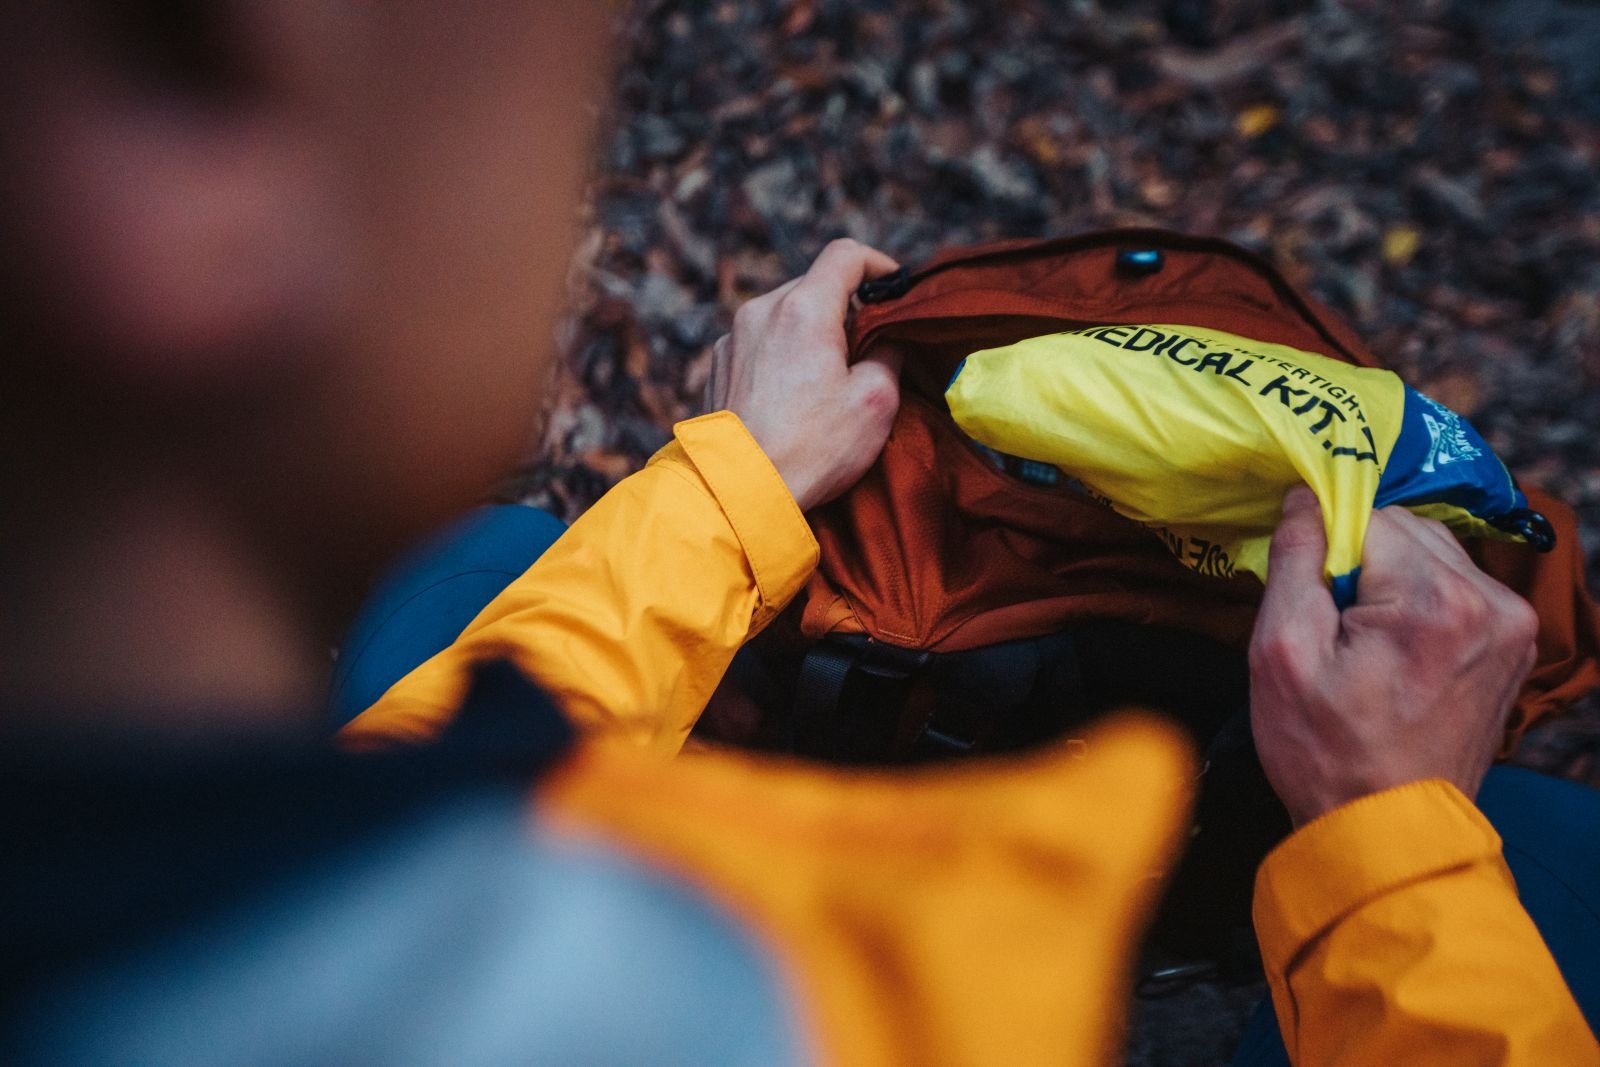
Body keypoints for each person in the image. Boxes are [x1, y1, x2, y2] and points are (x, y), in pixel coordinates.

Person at [1, 4, 1594, 1066]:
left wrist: (730, 494)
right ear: (205, 107)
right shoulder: (799, 1010)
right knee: (1563, 867)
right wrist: (1395, 855)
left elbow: (385, 780)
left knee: (486, 577)